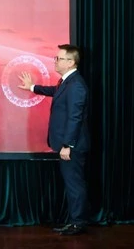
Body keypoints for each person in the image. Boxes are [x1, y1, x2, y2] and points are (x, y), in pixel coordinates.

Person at [18, 44, 89, 236]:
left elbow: (75, 118)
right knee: (72, 183)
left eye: (59, 58)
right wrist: (32, 87)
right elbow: (55, 91)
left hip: (72, 146)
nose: (55, 61)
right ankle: (75, 221)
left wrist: (68, 145)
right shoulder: (67, 82)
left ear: (71, 62)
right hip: (68, 144)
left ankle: (78, 223)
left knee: (74, 184)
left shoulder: (76, 85)